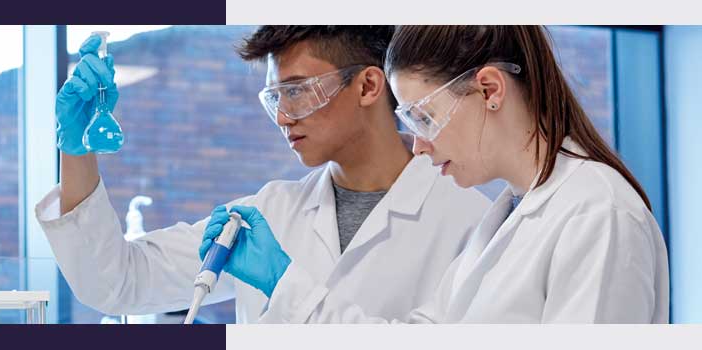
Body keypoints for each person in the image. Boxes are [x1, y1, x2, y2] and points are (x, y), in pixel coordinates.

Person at [34, 26, 490, 323]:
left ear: (369, 86)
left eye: (297, 92)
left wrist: (284, 282)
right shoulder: (266, 214)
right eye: (275, 98)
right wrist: (78, 151)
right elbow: (119, 283)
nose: (283, 117)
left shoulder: (470, 222)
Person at [259, 25, 669, 324]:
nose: (417, 146)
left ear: (489, 90)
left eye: (424, 118)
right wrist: (289, 286)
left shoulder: (598, 214)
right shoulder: (502, 220)